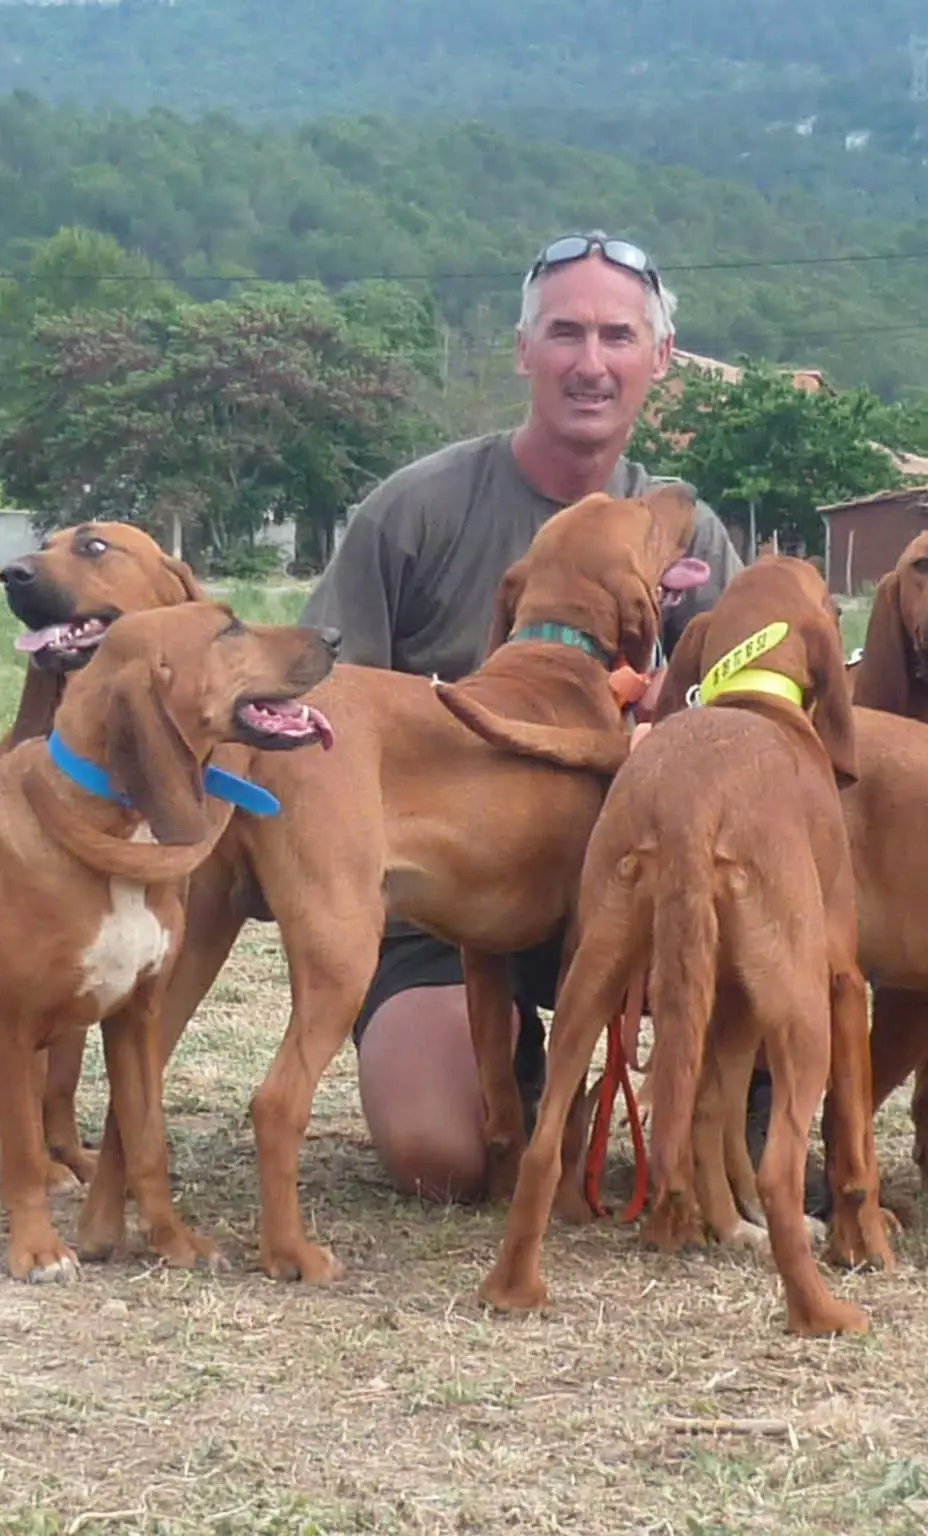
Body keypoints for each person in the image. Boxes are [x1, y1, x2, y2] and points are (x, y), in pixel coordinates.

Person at [299, 232, 744, 1199]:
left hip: (620, 897)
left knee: (756, 1125)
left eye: (619, 337)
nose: (592, 363)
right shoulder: (414, 514)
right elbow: (318, 715)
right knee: (440, 1159)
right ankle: (518, 1082)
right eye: (566, 334)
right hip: (445, 910)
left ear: (658, 359)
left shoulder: (691, 537)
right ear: (523, 350)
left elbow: (752, 730)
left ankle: (670, 1105)